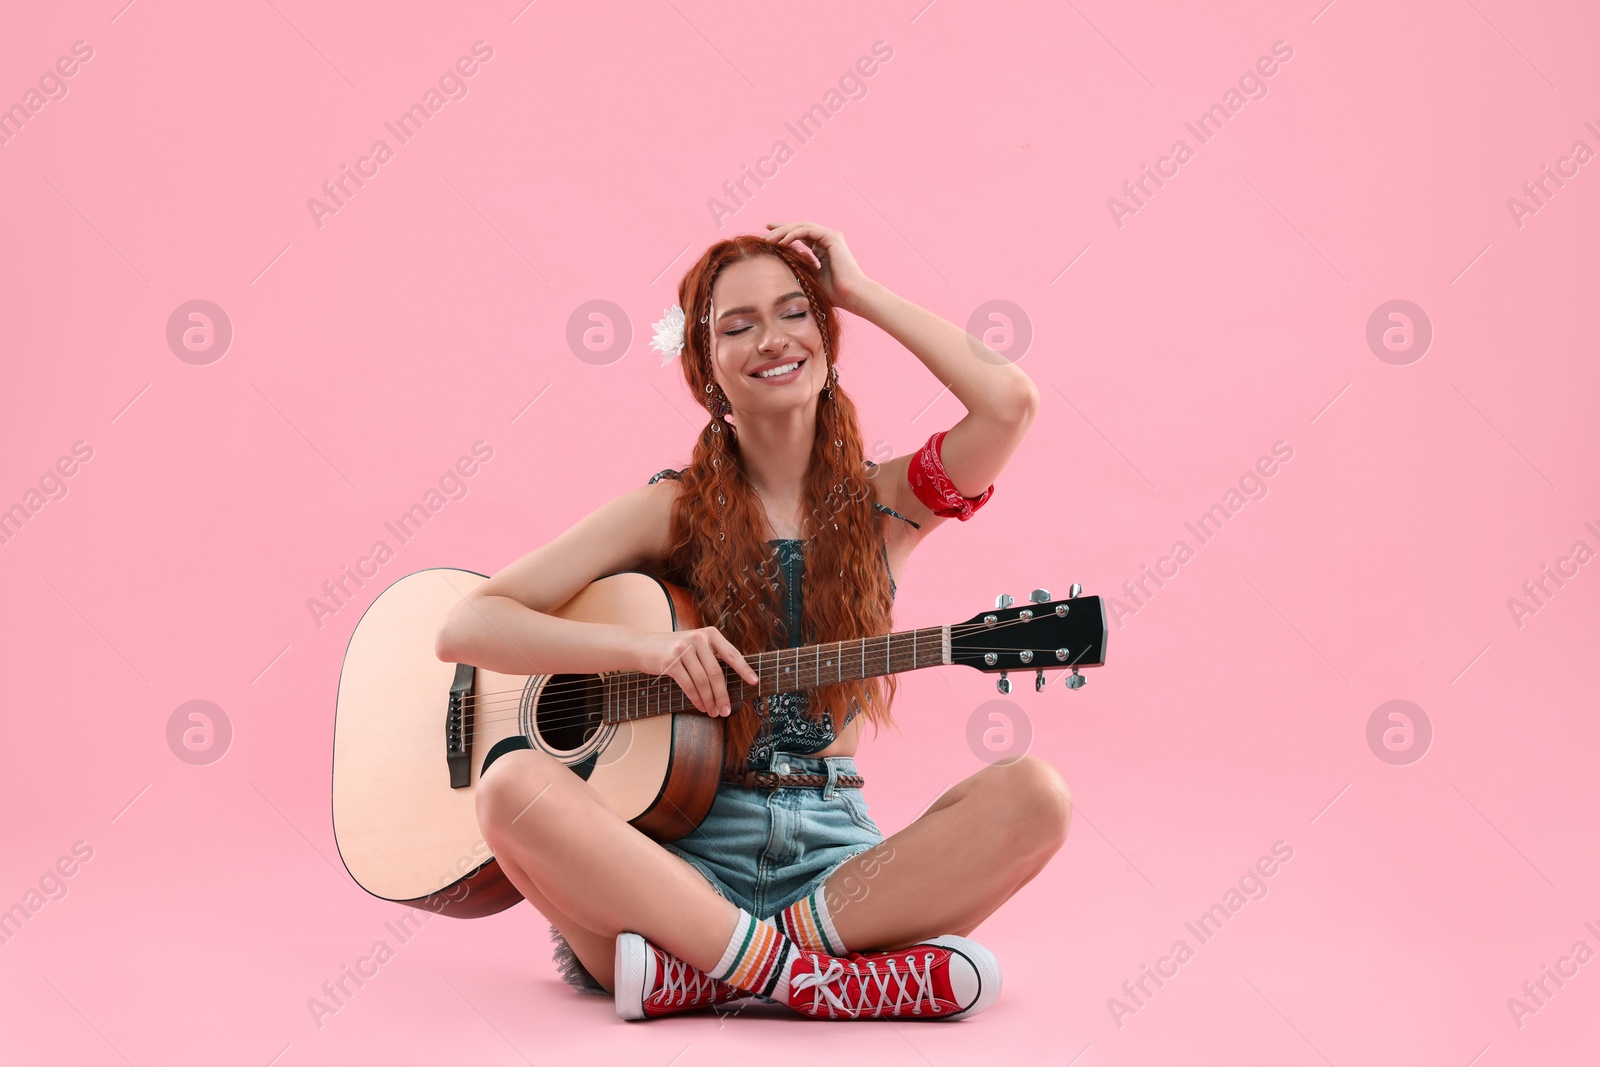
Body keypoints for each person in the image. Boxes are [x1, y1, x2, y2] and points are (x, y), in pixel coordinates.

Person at [433, 221, 1071, 1021]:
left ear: (828, 338)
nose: (772, 338)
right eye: (738, 326)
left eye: (796, 312)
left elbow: (1010, 403)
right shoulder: (667, 511)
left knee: (1037, 796)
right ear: (708, 373)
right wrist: (650, 649)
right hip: (673, 870)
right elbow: (470, 624)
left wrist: (861, 292)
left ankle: (716, 974)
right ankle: (816, 982)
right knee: (510, 789)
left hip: (840, 870)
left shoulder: (888, 505)